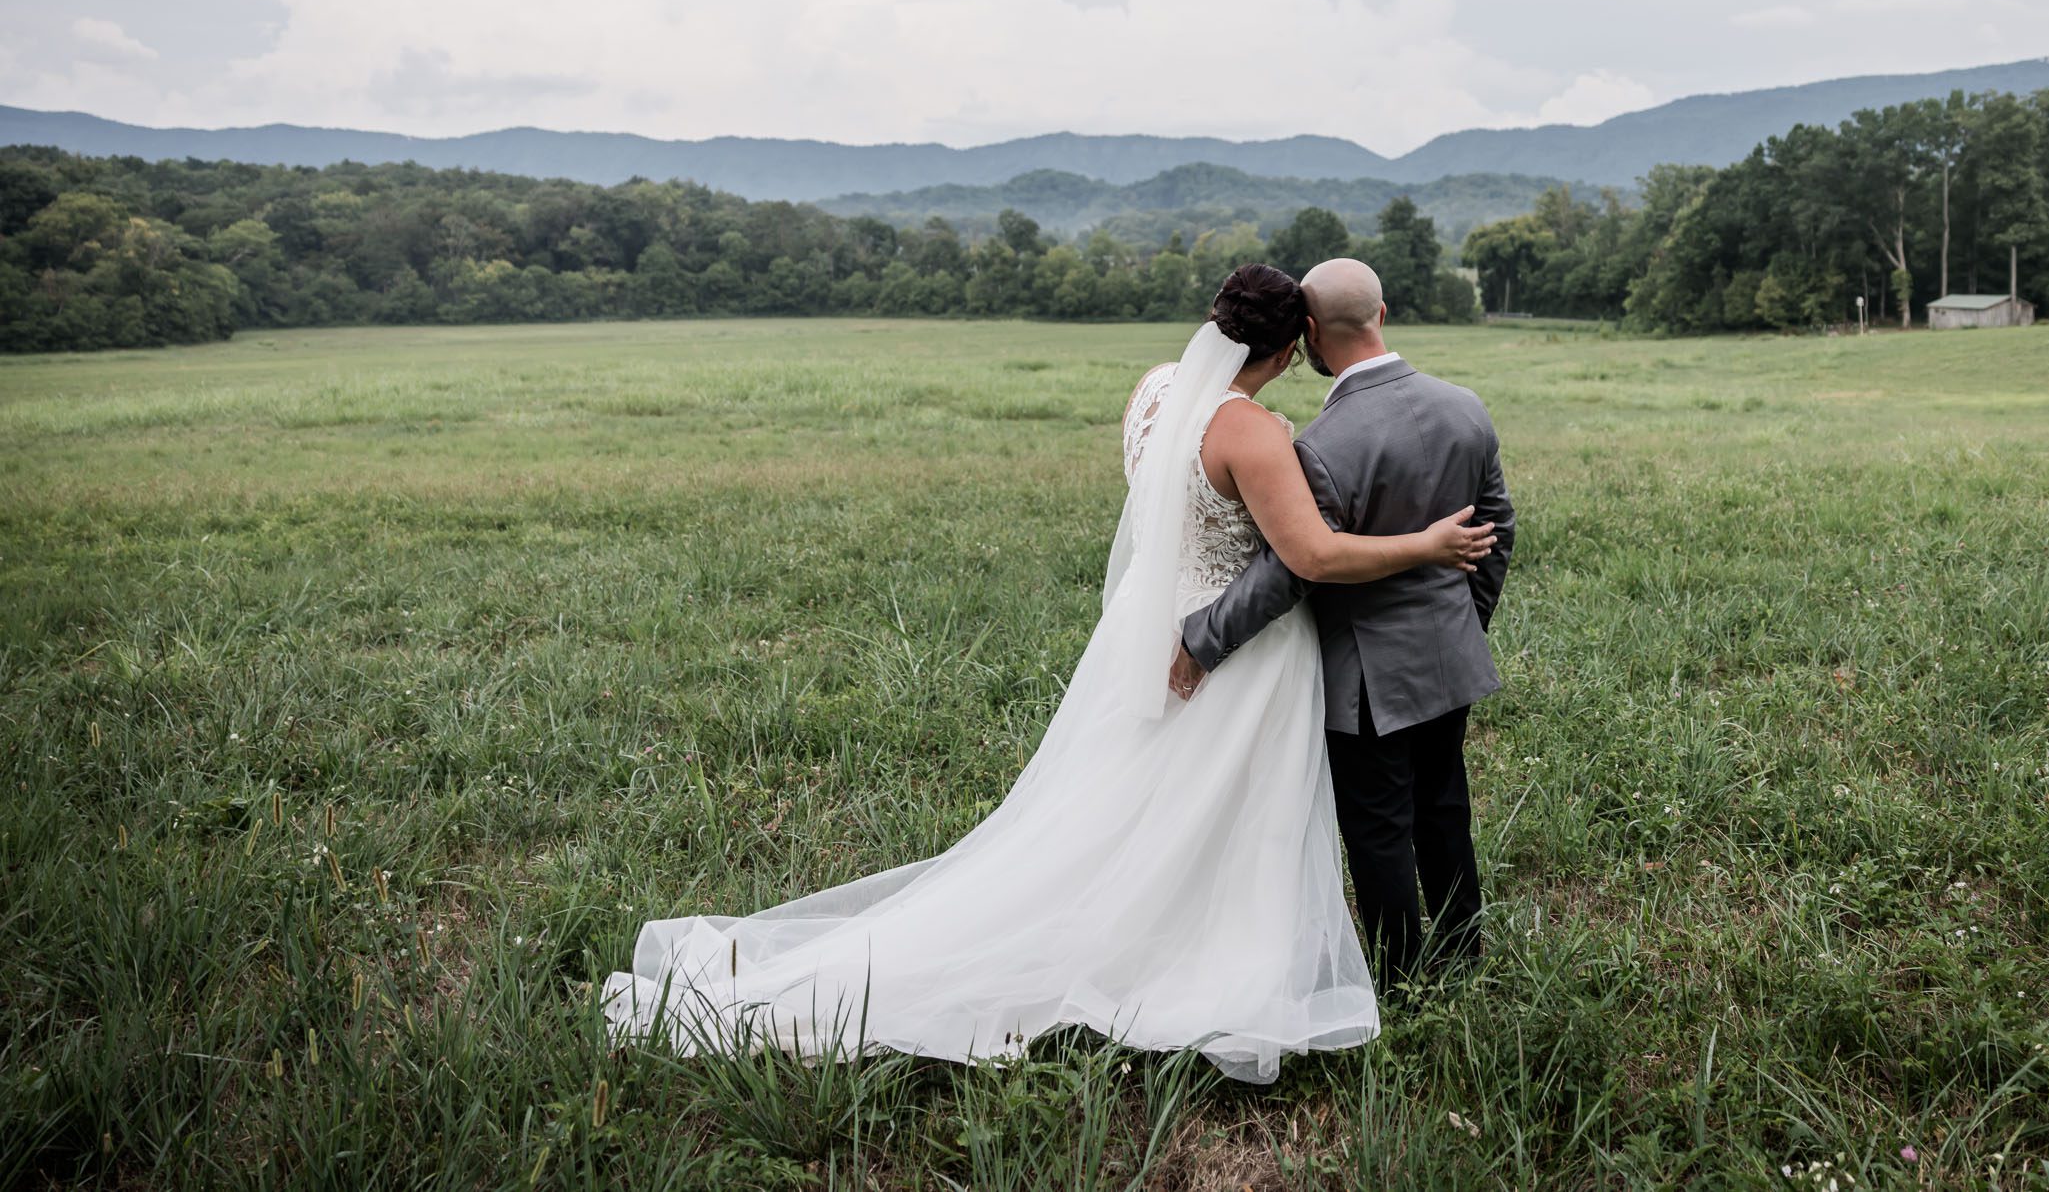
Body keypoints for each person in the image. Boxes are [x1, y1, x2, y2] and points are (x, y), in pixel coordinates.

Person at [603, 263, 1496, 1082]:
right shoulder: (1259, 433)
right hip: (1234, 654)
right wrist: (1431, 549)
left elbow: (1181, 524)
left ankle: (1150, 933)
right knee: (1234, 811)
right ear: (1294, 344)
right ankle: (1223, 958)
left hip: (1149, 635)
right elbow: (1306, 554)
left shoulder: (1155, 393)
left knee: (1134, 808)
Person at [1172, 257, 1516, 989]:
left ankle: (1400, 980)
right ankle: (1463, 957)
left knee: (1378, 827)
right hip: (1450, 658)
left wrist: (1204, 637)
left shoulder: (1322, 445)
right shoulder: (1467, 406)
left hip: (1364, 676)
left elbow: (1293, 567)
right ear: (1382, 314)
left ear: (1312, 336)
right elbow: (1497, 531)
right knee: (1444, 808)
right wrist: (1464, 621)